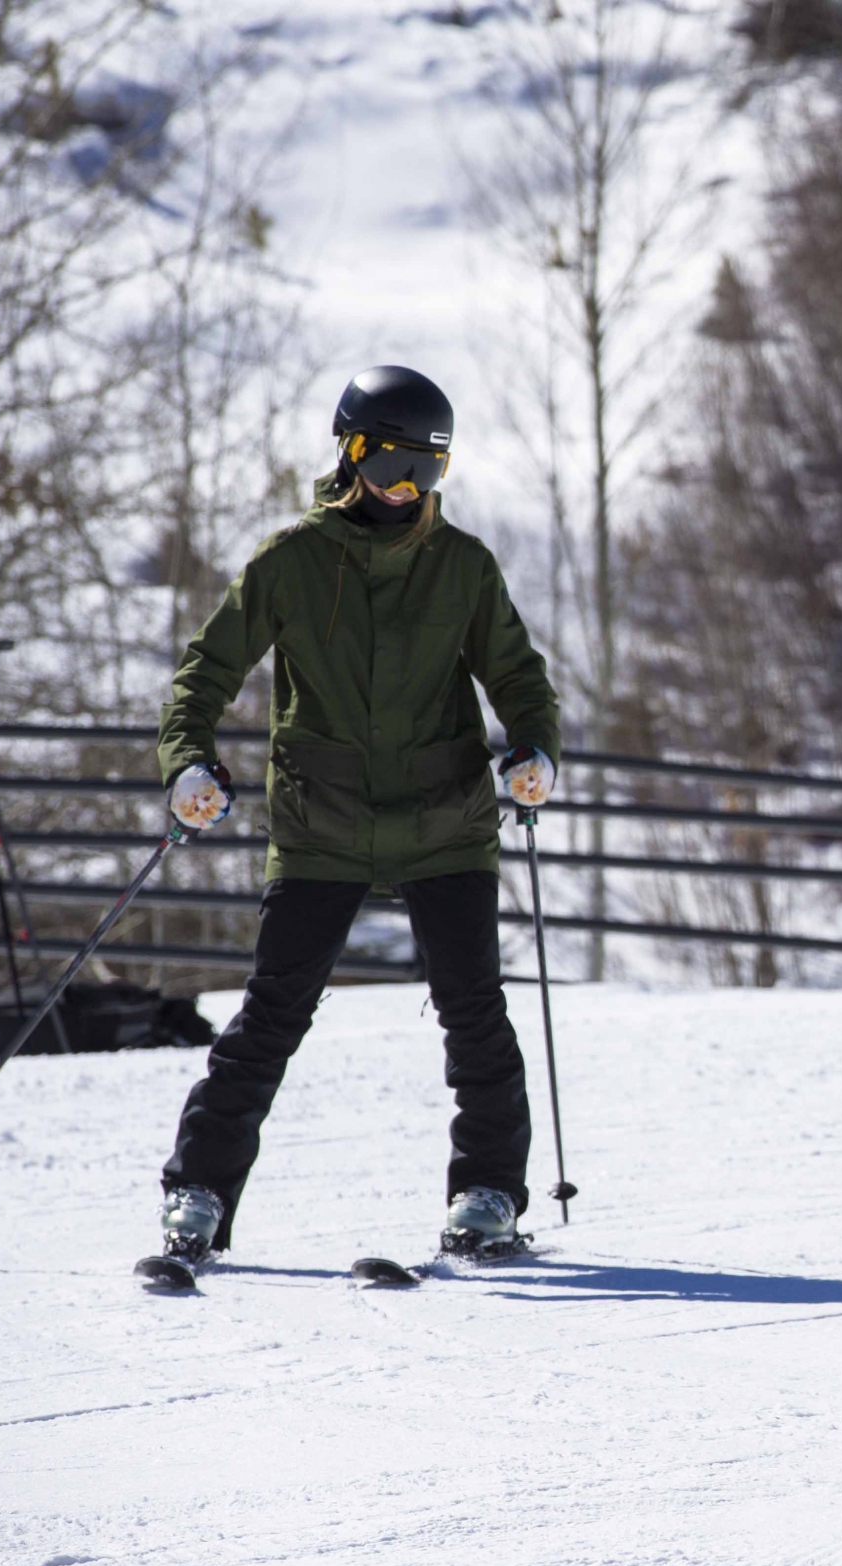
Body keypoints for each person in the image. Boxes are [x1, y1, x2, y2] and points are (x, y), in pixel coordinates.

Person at [150, 365, 561, 1267]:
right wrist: (186, 763)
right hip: (321, 823)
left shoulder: (462, 568)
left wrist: (534, 748)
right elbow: (203, 676)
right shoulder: (290, 562)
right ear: (353, 454)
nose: (408, 491)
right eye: (394, 469)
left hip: (445, 815)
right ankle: (200, 1196)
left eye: (429, 472)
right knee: (271, 1014)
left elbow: (520, 678)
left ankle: (488, 1194)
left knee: (474, 1012)